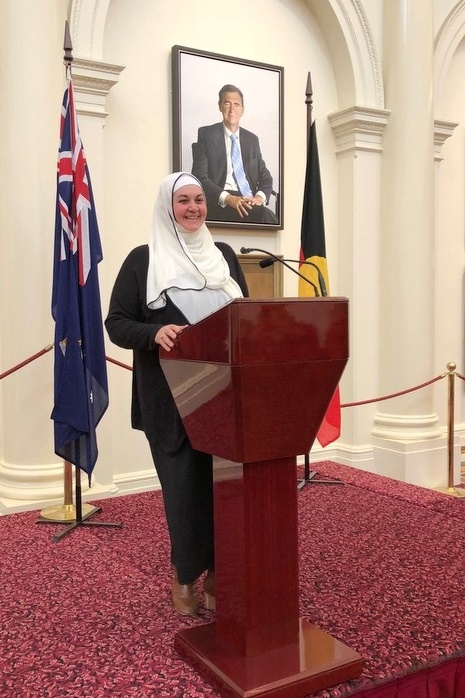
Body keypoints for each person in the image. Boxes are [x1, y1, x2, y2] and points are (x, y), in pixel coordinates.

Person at [105, 172, 249, 616]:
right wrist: (156, 332)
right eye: (183, 200)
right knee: (186, 491)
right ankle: (185, 572)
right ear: (168, 207)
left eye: (200, 200)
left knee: (228, 491)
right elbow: (116, 323)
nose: (193, 208)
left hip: (228, 396)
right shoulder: (142, 261)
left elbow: (245, 313)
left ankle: (221, 574)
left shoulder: (223, 255)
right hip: (171, 400)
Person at [191, 84, 279, 225]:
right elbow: (199, 176)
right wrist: (228, 198)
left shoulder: (252, 140)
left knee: (269, 218)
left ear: (242, 110)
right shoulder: (206, 135)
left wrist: (259, 197)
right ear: (220, 106)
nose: (232, 109)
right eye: (227, 103)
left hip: (248, 201)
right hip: (221, 201)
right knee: (266, 217)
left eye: (237, 105)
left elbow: (265, 177)